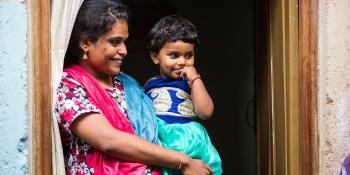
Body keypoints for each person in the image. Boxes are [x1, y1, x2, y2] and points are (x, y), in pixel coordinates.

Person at [54, 1, 214, 175]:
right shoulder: (69, 85)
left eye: (124, 42)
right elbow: (110, 141)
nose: (124, 50)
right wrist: (183, 161)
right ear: (85, 43)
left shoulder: (127, 84)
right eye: (115, 42)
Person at [144, 15, 223, 175]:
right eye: (174, 56)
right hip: (161, 141)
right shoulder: (150, 84)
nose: (182, 62)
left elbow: (206, 112)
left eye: (189, 55)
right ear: (155, 57)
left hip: (189, 141)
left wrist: (195, 79)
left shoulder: (192, 83)